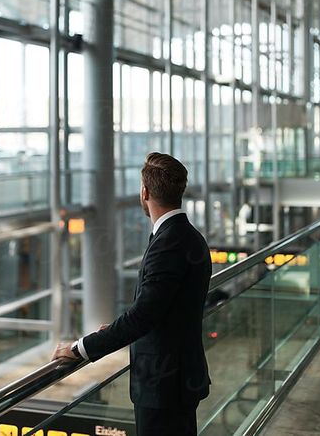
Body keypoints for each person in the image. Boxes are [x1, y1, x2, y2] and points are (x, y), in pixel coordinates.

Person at [53, 152, 212, 436]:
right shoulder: (189, 236)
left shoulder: (168, 244)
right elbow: (163, 309)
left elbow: (144, 316)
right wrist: (114, 329)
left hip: (164, 384)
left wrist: (79, 348)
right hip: (177, 378)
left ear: (145, 192)